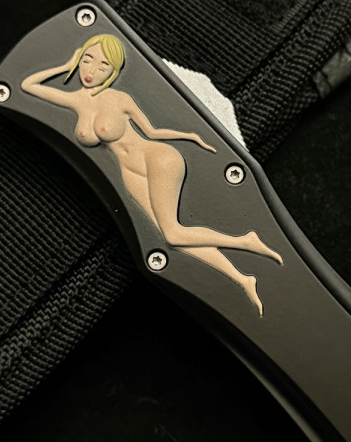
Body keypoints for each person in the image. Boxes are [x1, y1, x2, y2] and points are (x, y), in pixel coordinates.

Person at [21, 34, 282, 316]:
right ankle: (243, 278)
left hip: (157, 159)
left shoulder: (119, 97)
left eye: (103, 66)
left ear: (113, 72)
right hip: (129, 172)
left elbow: (152, 132)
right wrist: (65, 66)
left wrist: (192, 137)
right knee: (171, 238)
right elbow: (27, 85)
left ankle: (244, 241)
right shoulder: (75, 100)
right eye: (87, 59)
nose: (92, 70)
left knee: (173, 232)